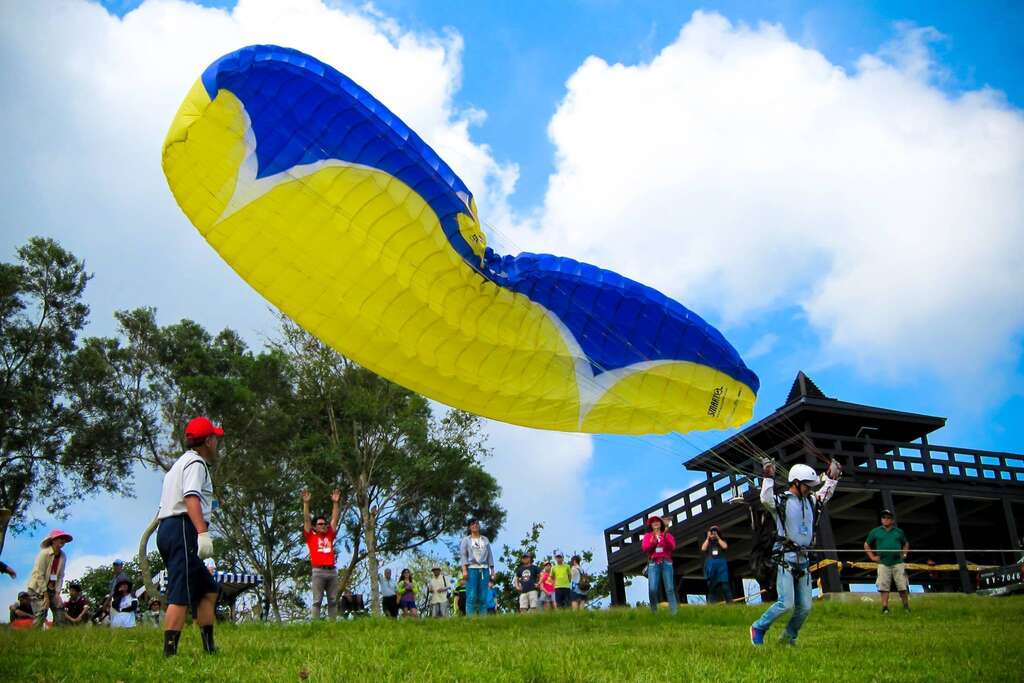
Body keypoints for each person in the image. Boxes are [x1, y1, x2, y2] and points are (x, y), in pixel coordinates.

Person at [750, 459, 841, 647]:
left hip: (803, 560)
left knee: (805, 607)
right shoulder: (781, 501)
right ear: (797, 483)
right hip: (785, 558)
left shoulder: (811, 501)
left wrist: (832, 478)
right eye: (807, 485)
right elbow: (765, 499)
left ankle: (788, 638)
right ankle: (758, 627)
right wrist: (768, 476)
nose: (810, 489)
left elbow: (825, 494)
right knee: (786, 603)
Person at [155, 416, 223, 656]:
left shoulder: (179, 464)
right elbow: (191, 497)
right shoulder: (196, 463)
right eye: (215, 439)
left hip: (170, 528)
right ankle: (169, 654)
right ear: (208, 441)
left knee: (208, 589)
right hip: (182, 528)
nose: (217, 444)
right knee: (181, 591)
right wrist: (202, 533)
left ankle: (209, 648)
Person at [301, 488, 341, 621]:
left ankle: (333, 624)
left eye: (325, 524)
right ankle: (316, 624)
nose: (323, 525)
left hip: (332, 571)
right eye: (320, 524)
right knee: (317, 601)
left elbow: (335, 518)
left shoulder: (330, 535)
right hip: (318, 571)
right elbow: (306, 520)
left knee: (333, 600)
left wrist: (335, 503)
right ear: (315, 527)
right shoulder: (311, 536)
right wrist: (306, 503)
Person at [864, 509, 911, 614]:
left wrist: (904, 554)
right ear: (881, 519)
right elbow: (866, 544)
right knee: (884, 586)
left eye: (888, 518)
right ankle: (885, 607)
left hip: (898, 562)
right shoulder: (875, 531)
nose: (886, 519)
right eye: (883, 517)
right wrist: (872, 557)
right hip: (883, 563)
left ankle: (906, 607)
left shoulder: (899, 532)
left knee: (902, 586)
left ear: (892, 520)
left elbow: (906, 543)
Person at [27, 528, 72, 628]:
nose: (63, 540)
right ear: (53, 540)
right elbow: (39, 575)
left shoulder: (63, 556)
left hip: (52, 589)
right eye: (60, 538)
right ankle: (34, 634)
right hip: (38, 589)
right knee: (41, 612)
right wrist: (46, 596)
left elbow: (60, 576)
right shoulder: (44, 554)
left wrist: (57, 593)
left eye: (64, 539)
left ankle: (59, 633)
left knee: (59, 609)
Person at [641, 516, 677, 614]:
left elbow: (672, 547)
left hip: (666, 562)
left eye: (657, 521)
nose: (655, 523)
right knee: (652, 589)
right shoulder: (648, 536)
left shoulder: (667, 535)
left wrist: (664, 536)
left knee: (670, 588)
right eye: (653, 522)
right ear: (651, 525)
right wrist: (653, 541)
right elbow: (645, 548)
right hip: (654, 563)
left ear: (661, 524)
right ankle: (654, 612)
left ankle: (674, 613)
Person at [459, 519, 494, 616]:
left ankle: (483, 618)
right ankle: (471, 619)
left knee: (483, 596)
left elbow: (490, 554)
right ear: (469, 527)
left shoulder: (485, 539)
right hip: (471, 569)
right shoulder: (466, 540)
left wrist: (492, 569)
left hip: (484, 569)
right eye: (472, 524)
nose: (475, 525)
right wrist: (464, 570)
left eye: (476, 523)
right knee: (472, 595)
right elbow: (463, 555)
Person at [701, 525, 733, 604]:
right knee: (712, 586)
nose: (713, 534)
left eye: (715, 532)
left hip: (721, 566)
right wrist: (708, 538)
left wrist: (718, 538)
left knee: (725, 586)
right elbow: (703, 548)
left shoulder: (721, 541)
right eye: (711, 532)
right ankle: (712, 604)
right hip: (711, 566)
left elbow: (725, 546)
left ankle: (730, 603)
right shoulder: (708, 542)